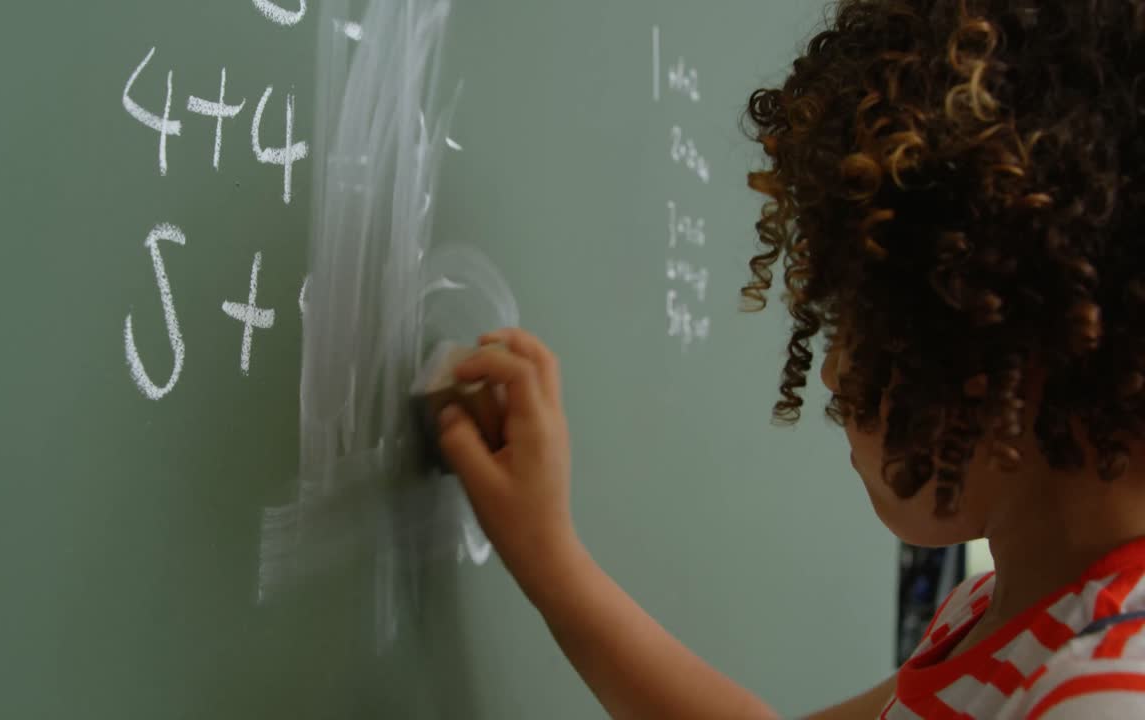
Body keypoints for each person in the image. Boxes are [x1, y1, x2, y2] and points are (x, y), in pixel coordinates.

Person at [436, 1, 1145, 718]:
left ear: (1012, 350)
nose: (833, 371)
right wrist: (550, 558)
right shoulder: (1003, 616)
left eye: (868, 324)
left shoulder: (1102, 697)